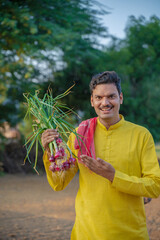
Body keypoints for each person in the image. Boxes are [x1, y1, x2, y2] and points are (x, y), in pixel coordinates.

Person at [41, 71, 160, 240]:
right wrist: (50, 151)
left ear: (121, 98)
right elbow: (59, 182)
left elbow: (154, 186)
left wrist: (113, 176)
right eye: (98, 97)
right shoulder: (79, 135)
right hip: (87, 232)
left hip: (129, 233)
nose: (105, 103)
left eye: (111, 96)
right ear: (92, 101)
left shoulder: (141, 135)